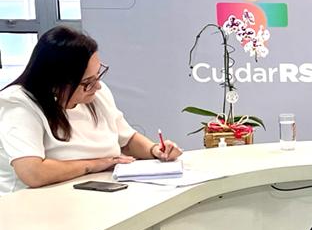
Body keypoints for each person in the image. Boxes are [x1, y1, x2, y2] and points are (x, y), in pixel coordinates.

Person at [0, 26, 182, 195]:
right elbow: (33, 172)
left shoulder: (96, 95)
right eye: (87, 82)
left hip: (97, 195)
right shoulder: (18, 103)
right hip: (36, 204)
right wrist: (96, 165)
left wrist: (154, 150)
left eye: (98, 75)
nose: (97, 86)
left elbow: (127, 140)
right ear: (56, 82)